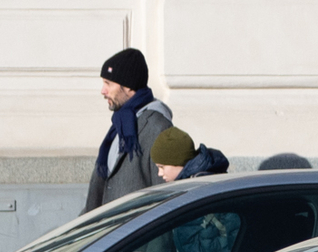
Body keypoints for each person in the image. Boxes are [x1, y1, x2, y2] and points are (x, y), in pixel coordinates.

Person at [82, 47, 173, 212]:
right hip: (111, 234)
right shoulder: (121, 124)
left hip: (137, 235)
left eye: (108, 84)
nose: (103, 91)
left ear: (129, 86)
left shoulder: (157, 127)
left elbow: (165, 197)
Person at [146, 125, 229, 185]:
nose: (159, 173)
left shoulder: (198, 185)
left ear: (178, 161)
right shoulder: (191, 182)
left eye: (162, 167)